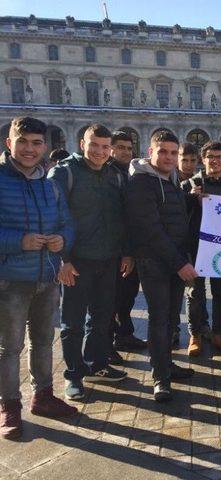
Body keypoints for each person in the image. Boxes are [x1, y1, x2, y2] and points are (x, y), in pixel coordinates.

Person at [0, 117, 77, 440]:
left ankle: (43, 395)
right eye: (23, 142)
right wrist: (18, 241)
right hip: (11, 279)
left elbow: (66, 222)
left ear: (45, 146)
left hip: (47, 275)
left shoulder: (50, 184)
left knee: (44, 340)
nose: (30, 149)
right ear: (9, 144)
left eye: (36, 143)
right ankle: (9, 406)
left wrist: (62, 239)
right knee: (10, 346)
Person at [49, 124, 129, 401]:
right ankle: (73, 375)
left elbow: (122, 217)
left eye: (105, 147)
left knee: (102, 317)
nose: (99, 151)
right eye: (94, 145)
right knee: (72, 322)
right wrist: (63, 260)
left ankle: (97, 364)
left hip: (108, 258)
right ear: (82, 143)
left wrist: (126, 252)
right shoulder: (64, 173)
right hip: (76, 260)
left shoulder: (115, 175)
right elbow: (52, 217)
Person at [126, 130, 196, 402]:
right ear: (150, 151)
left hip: (173, 260)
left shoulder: (171, 179)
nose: (168, 157)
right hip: (155, 262)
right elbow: (150, 229)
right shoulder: (142, 183)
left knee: (170, 319)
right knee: (159, 320)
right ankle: (160, 378)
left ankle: (166, 365)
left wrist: (193, 199)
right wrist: (180, 262)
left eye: (173, 152)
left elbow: (173, 215)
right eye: (163, 151)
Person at [182, 141, 221, 357]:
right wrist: (190, 198)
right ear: (202, 160)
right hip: (196, 247)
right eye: (210, 157)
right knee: (195, 293)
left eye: (219, 157)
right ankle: (195, 334)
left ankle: (220, 333)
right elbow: (176, 213)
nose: (215, 161)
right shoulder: (190, 184)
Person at [108, 131, 147, 361]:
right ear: (111, 149)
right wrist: (125, 251)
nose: (125, 152)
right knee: (112, 298)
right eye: (120, 147)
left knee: (128, 294)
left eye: (129, 148)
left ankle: (124, 333)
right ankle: (107, 344)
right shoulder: (109, 173)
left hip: (131, 246)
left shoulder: (129, 172)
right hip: (117, 249)